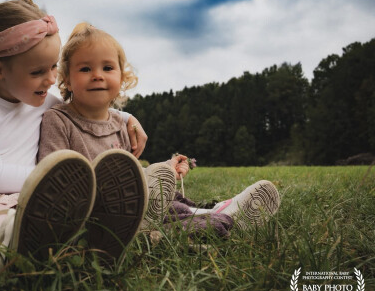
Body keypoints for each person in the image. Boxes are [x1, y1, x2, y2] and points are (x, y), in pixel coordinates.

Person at [0, 0, 148, 270]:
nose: (51, 80)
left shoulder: (41, 98)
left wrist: (127, 118)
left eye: (53, 67)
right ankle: (10, 247)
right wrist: (72, 182)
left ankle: (89, 241)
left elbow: (82, 109)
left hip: (40, 198)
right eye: (38, 71)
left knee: (58, 215)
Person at [38, 23, 280, 241]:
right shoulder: (58, 120)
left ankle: (222, 213)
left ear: (122, 78)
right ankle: (199, 223)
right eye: (85, 69)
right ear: (67, 80)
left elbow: (128, 178)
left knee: (173, 208)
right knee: (159, 212)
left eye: (108, 67)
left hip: (131, 207)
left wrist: (165, 169)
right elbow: (51, 177)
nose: (98, 75)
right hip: (88, 214)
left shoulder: (121, 125)